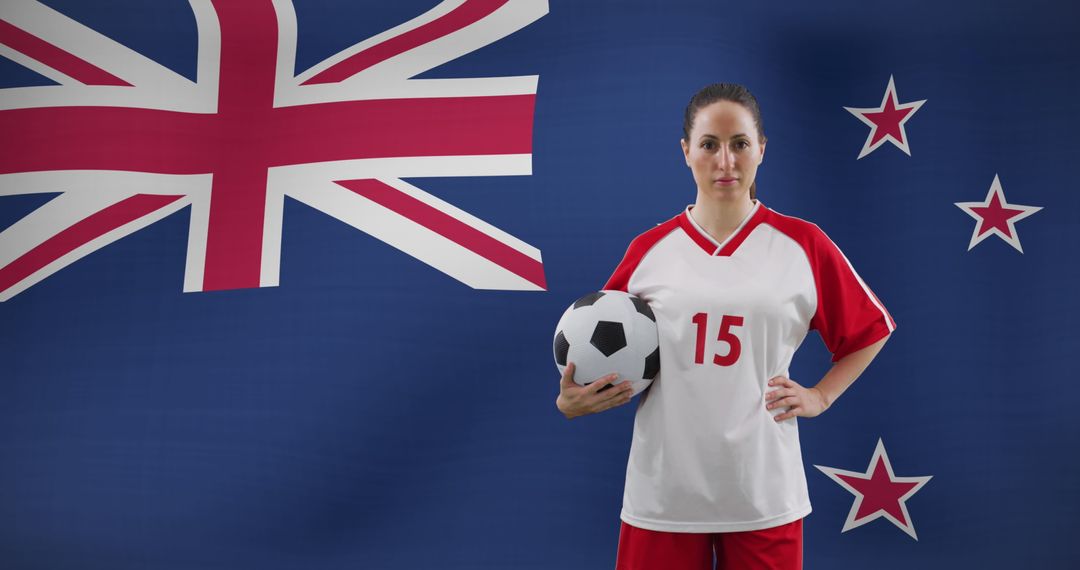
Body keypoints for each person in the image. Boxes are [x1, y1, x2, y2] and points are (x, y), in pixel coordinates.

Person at [555, 83, 895, 570]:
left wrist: (821, 395)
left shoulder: (803, 244)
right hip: (664, 495)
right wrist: (572, 399)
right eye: (709, 144)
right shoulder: (649, 250)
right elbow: (599, 344)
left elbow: (870, 330)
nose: (725, 161)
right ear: (686, 151)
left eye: (739, 144)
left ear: (762, 149)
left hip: (763, 491)